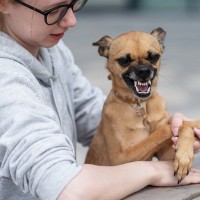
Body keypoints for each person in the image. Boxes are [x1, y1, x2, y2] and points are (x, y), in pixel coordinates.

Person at [0, 0, 200, 200]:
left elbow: (91, 114)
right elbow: (66, 188)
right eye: (54, 11)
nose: (72, 20)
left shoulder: (51, 50)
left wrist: (171, 131)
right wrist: (155, 170)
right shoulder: (7, 82)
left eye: (75, 3)